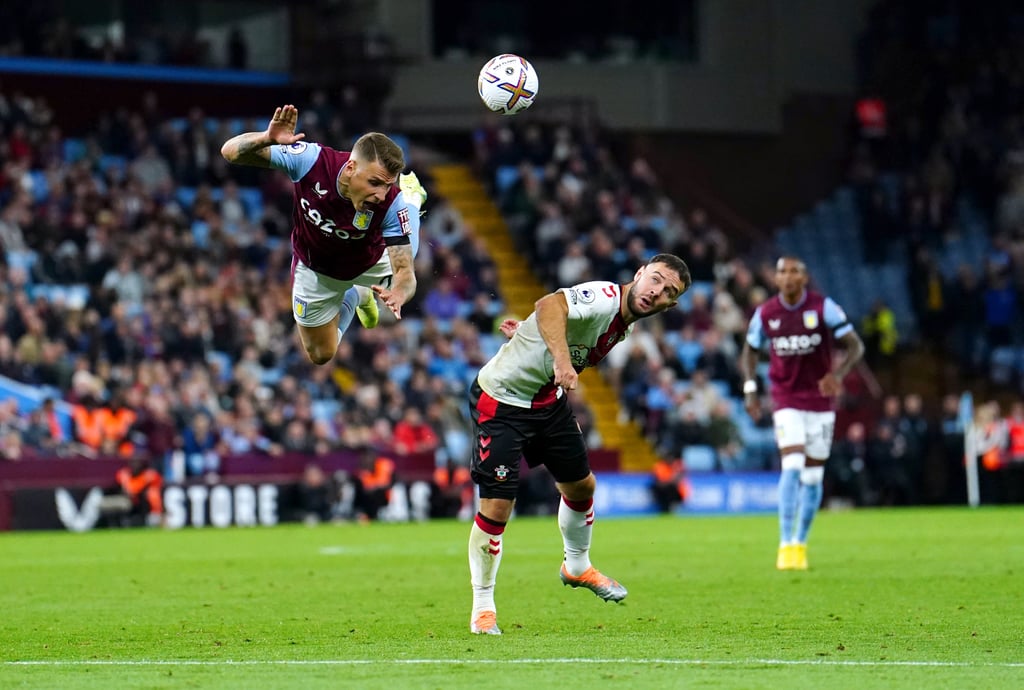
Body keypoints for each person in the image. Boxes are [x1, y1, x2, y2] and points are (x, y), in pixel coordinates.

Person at [466, 253, 691, 635]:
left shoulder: (626, 324)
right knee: (498, 505)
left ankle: (576, 566)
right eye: (654, 279)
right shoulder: (604, 296)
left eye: (668, 291)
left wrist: (528, 331)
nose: (656, 292)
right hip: (502, 401)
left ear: (673, 304)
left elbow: (559, 321)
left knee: (581, 485)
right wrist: (560, 359)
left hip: (547, 403)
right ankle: (483, 607)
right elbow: (550, 303)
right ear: (639, 273)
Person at [220, 104, 427, 365]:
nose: (381, 195)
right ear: (351, 168)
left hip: (370, 264)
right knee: (321, 355)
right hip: (317, 270)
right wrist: (265, 139)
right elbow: (229, 152)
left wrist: (398, 292)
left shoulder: (390, 203)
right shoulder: (311, 162)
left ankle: (413, 199)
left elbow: (406, 273)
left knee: (409, 242)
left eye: (388, 185)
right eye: (374, 183)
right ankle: (356, 294)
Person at [739, 256, 864, 571]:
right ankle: (784, 545)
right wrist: (750, 389)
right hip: (786, 399)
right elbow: (750, 349)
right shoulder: (766, 313)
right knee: (792, 466)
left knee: (812, 476)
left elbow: (855, 346)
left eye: (795, 271)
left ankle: (800, 543)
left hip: (821, 402)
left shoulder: (824, 308)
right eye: (782, 271)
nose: (788, 276)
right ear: (776, 279)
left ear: (804, 278)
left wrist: (837, 375)